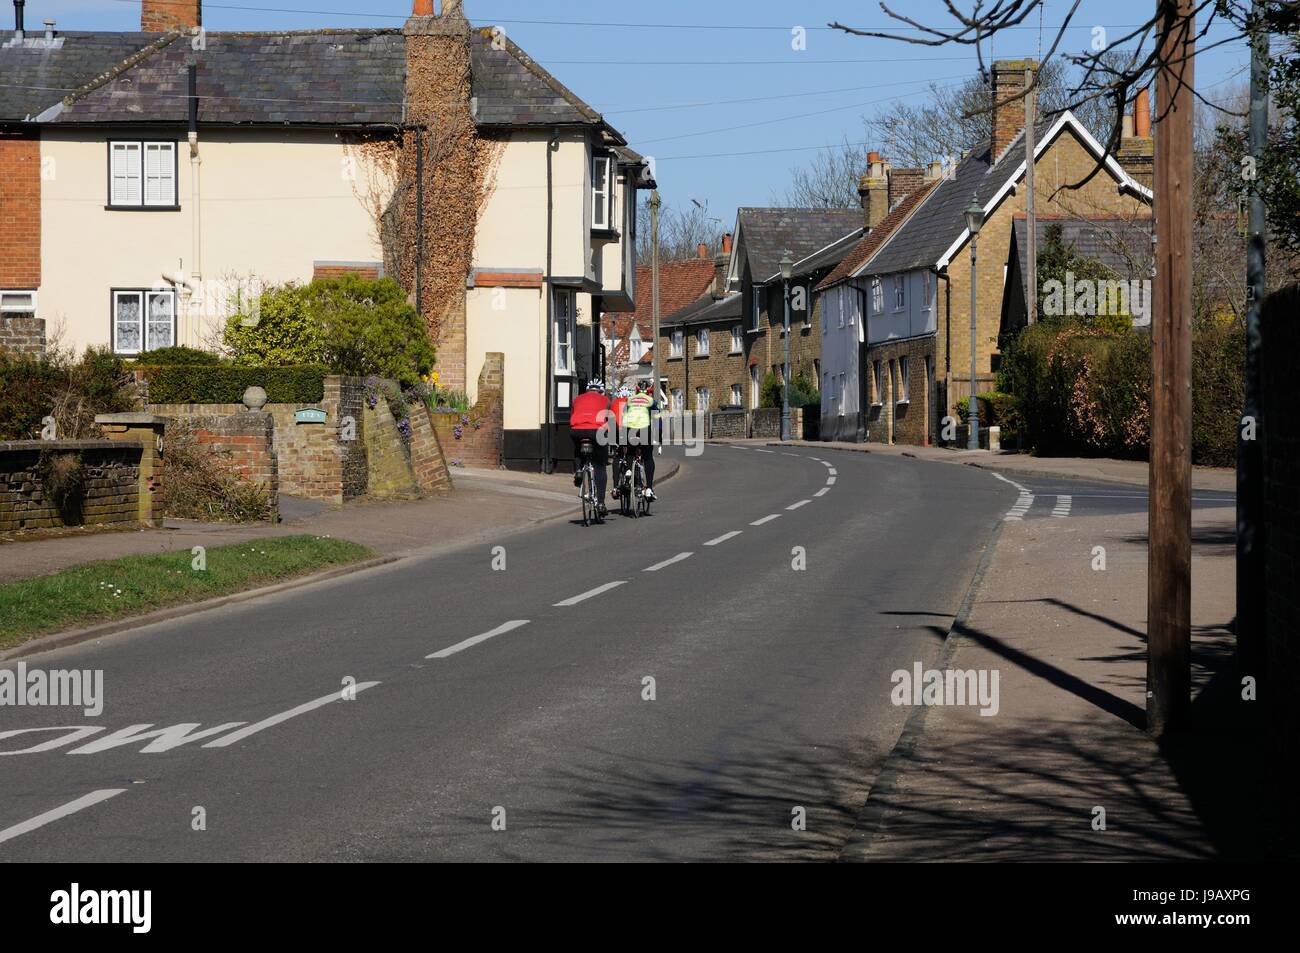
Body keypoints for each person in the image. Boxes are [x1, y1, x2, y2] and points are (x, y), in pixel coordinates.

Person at [569, 379, 610, 516]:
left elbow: (573, 414)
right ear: (600, 391)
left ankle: (579, 471)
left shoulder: (577, 399)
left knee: (577, 451)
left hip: (577, 431)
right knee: (600, 466)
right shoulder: (605, 400)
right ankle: (601, 503)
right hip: (596, 431)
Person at [623, 379, 657, 500]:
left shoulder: (629, 400)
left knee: (630, 452)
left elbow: (624, 416)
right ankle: (649, 489)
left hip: (630, 429)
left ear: (637, 390)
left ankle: (628, 471)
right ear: (650, 391)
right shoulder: (651, 401)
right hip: (644, 429)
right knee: (648, 458)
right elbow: (657, 421)